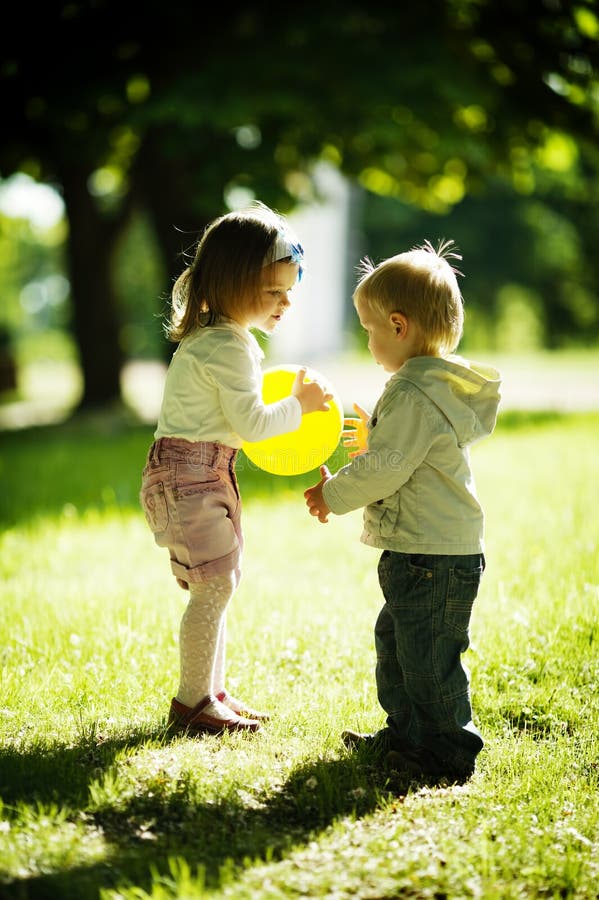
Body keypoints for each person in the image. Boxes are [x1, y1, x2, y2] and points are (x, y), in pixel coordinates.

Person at [304, 240, 501, 782]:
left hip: (431, 557)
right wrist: (375, 432)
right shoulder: (424, 388)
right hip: (423, 552)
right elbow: (401, 455)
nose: (366, 339)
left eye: (368, 329)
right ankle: (407, 734)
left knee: (429, 661)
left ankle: (447, 752)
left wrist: (333, 494)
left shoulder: (415, 395)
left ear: (398, 324)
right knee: (398, 646)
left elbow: (387, 469)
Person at [140, 202, 332, 737]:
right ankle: (193, 701)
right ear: (231, 283)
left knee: (220, 583)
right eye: (274, 291)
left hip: (201, 474)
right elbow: (253, 424)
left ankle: (211, 692)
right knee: (214, 587)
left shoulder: (219, 339)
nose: (285, 302)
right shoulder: (228, 346)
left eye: (289, 290)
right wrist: (302, 405)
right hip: (191, 479)